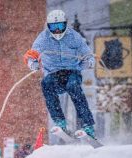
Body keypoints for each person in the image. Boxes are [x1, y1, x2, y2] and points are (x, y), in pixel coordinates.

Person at [24, 9, 97, 139]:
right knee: (46, 84)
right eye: (53, 27)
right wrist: (32, 63)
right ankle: (59, 121)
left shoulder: (73, 36)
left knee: (73, 86)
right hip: (53, 73)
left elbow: (86, 52)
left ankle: (87, 124)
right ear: (48, 26)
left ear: (65, 24)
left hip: (72, 71)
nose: (57, 30)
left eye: (60, 26)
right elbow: (32, 53)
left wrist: (89, 60)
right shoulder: (43, 38)